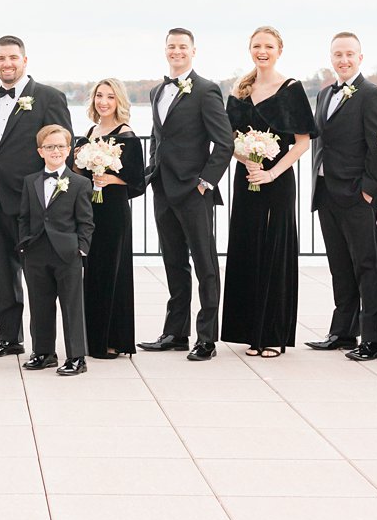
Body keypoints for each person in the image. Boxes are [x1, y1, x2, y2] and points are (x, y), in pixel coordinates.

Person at [137, 28, 232, 362]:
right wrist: (151, 172)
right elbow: (157, 137)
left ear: (193, 51)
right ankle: (176, 332)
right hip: (163, 188)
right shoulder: (156, 91)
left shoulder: (206, 90)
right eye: (171, 46)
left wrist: (206, 182)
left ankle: (207, 337)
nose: (176, 51)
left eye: (182, 47)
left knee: (205, 263)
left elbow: (225, 142)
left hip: (194, 191)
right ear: (165, 50)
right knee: (173, 262)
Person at [220, 27, 315, 358]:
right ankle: (249, 331)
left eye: (269, 46)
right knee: (248, 248)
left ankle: (273, 334)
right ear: (250, 50)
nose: (263, 51)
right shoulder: (240, 92)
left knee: (275, 251)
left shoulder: (291, 89)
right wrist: (248, 160)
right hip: (247, 178)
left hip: (278, 181)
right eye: (257, 46)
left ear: (279, 50)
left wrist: (272, 171)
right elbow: (228, 140)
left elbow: (302, 142)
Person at [0, 35, 73, 358]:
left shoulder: (49, 97)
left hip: (34, 202)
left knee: (37, 276)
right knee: (3, 273)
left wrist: (59, 200)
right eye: (0, 59)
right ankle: (9, 337)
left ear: (24, 60)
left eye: (12, 58)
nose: (7, 63)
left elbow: (65, 150)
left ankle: (43, 346)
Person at [306, 31, 377, 361]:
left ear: (360, 57)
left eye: (349, 54)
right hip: (326, 191)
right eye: (337, 54)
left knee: (366, 266)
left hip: (357, 194)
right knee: (339, 265)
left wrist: (369, 191)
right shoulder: (325, 94)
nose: (343, 60)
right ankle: (342, 331)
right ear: (331, 58)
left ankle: (372, 339)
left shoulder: (371, 94)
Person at [71, 78, 147, 358]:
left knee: (112, 271)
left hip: (113, 210)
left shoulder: (126, 134)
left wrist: (111, 178)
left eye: (110, 97)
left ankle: (113, 338)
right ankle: (93, 338)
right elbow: (79, 173)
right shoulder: (90, 133)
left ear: (119, 102)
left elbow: (137, 180)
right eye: (99, 96)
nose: (103, 101)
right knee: (91, 271)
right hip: (90, 209)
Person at [18, 125, 95, 376]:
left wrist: (81, 249)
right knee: (39, 304)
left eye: (61, 146)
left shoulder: (80, 183)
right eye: (50, 147)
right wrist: (25, 244)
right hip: (36, 251)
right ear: (40, 151)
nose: (56, 151)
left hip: (67, 253)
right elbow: (25, 217)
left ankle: (76, 357)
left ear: (69, 150)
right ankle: (43, 352)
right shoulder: (30, 181)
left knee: (72, 306)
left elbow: (86, 221)